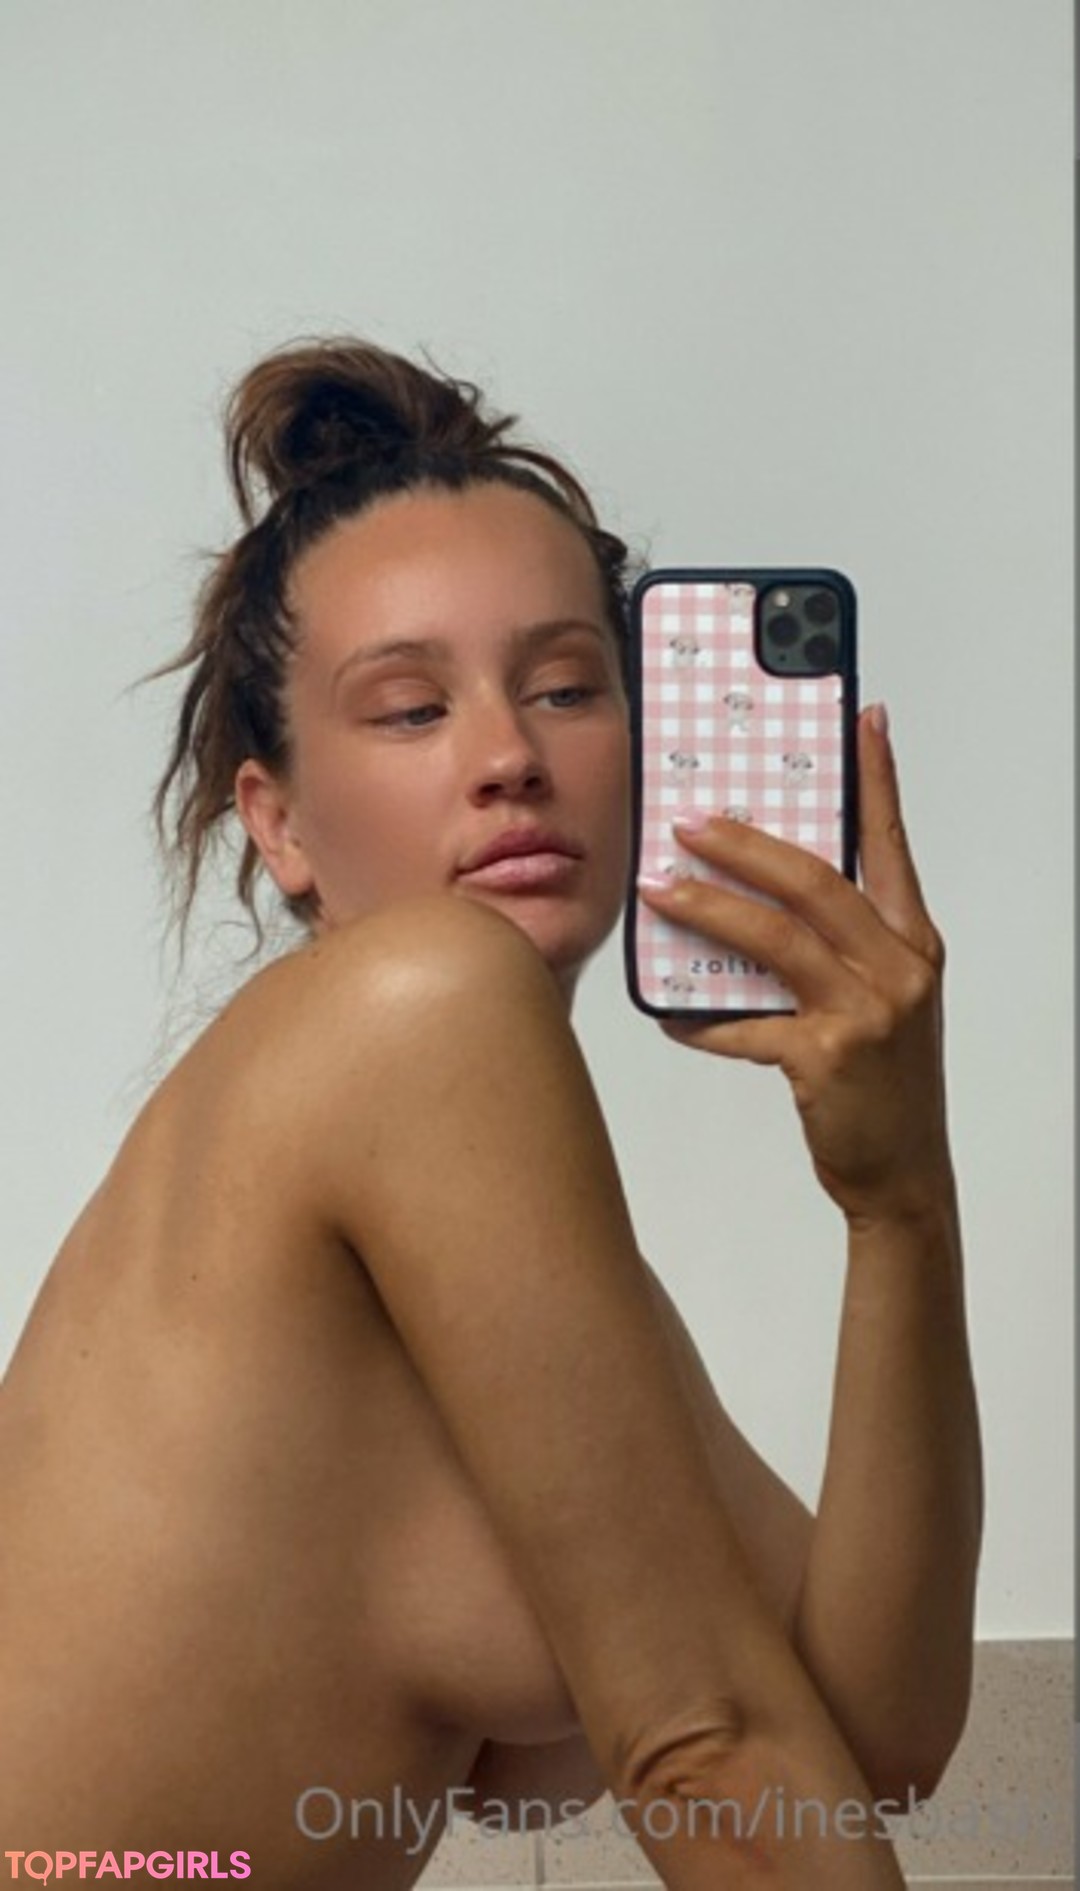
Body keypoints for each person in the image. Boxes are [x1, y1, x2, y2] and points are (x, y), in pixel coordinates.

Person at [0, 339, 982, 1890]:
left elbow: (866, 1746)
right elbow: (711, 1752)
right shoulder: (421, 1011)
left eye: (568, 688)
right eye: (408, 710)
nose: (511, 757)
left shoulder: (495, 1229)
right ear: (278, 824)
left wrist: (899, 1203)